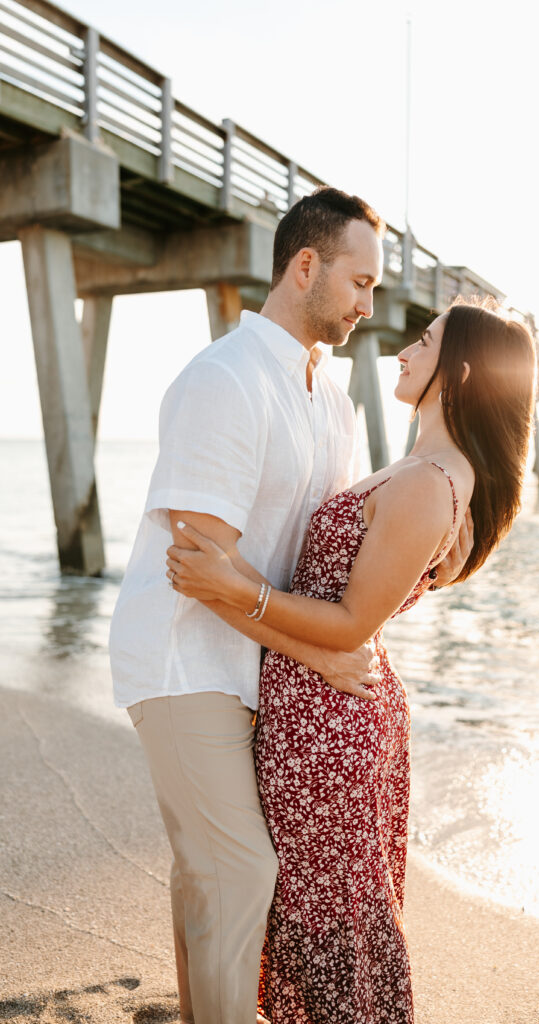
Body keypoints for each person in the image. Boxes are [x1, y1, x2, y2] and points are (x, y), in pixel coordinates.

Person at [109, 186, 471, 1024]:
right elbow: (200, 565)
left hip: (262, 667)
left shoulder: (334, 403)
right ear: (304, 265)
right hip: (185, 658)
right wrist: (325, 649)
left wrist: (438, 529)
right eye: (359, 281)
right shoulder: (224, 379)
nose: (368, 305)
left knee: (212, 871)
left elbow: (330, 551)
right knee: (239, 871)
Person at [165, 299, 536, 1023]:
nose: (400, 351)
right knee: (314, 903)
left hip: (331, 726)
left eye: (422, 343)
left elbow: (350, 625)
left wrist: (242, 592)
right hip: (320, 708)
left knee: (326, 914)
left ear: (457, 372)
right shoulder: (421, 466)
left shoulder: (431, 483)